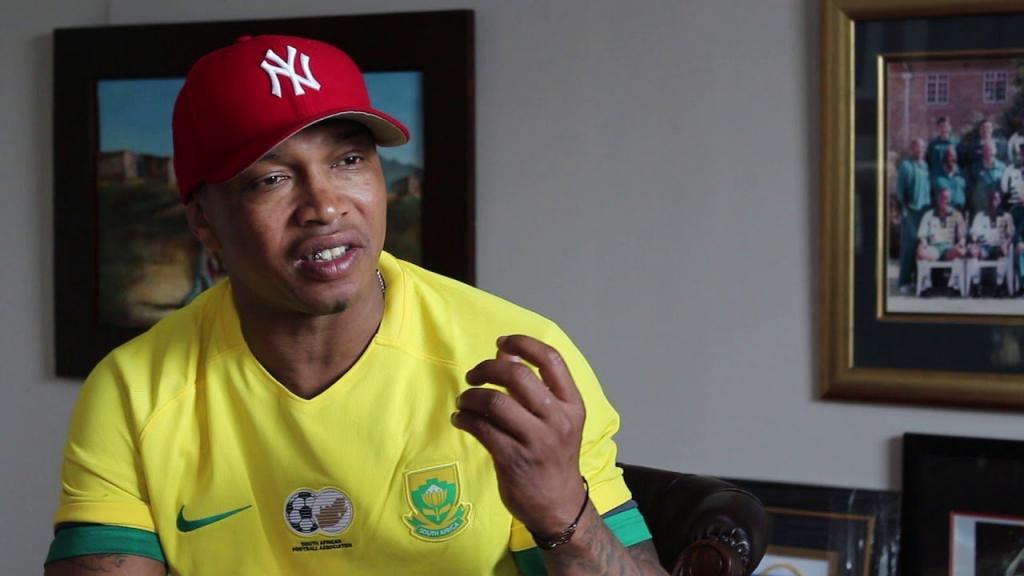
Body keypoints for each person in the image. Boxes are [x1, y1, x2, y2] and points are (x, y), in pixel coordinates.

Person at [44, 36, 665, 576]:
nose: (325, 206)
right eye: (272, 178)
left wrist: (563, 514)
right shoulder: (133, 391)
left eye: (348, 161)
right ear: (205, 221)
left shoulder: (513, 361)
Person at [896, 138, 931, 293]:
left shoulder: (926, 166)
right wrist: (905, 206)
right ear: (912, 149)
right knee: (909, 246)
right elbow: (899, 191)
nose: (920, 150)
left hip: (925, 211)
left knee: (922, 246)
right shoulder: (906, 166)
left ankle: (919, 280)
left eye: (922, 147)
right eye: (917, 147)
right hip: (911, 211)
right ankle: (904, 281)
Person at [968, 189, 1015, 296]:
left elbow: (1010, 234)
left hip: (999, 246)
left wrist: (1006, 243)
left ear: (1000, 201)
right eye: (991, 199)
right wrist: (974, 242)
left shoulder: (1006, 216)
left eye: (996, 199)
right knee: (973, 253)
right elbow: (974, 233)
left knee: (1003, 253)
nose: (993, 201)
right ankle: (976, 286)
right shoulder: (980, 216)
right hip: (984, 247)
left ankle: (999, 286)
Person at [918, 187, 967, 263]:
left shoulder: (957, 215)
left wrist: (961, 244)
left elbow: (962, 236)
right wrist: (924, 244)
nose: (944, 201)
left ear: (950, 200)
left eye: (946, 198)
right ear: (938, 199)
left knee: (961, 251)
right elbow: (922, 235)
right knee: (921, 252)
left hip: (949, 248)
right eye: (942, 198)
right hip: (934, 248)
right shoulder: (929, 215)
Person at [970, 141, 1006, 215]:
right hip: (981, 208)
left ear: (995, 151)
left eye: (991, 150)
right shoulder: (975, 168)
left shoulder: (1003, 167)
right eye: (986, 150)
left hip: (998, 208)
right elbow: (971, 189)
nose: (989, 152)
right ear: (982, 152)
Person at [932, 147, 967, 212]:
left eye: (954, 156)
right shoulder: (936, 175)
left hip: (959, 212)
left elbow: (967, 192)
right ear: (944, 158)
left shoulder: (961, 175)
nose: (953, 159)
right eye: (950, 156)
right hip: (942, 212)